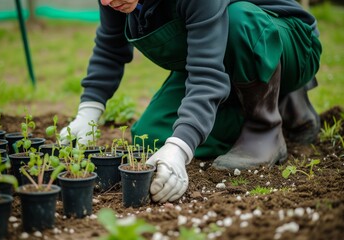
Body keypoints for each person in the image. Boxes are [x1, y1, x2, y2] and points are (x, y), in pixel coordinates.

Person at [60, 0, 322, 203]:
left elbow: (206, 74)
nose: (106, 3)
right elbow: (110, 47)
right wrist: (88, 114)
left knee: (239, 19)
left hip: (288, 41)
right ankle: (273, 99)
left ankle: (266, 123)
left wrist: (181, 149)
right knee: (151, 136)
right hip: (215, 58)